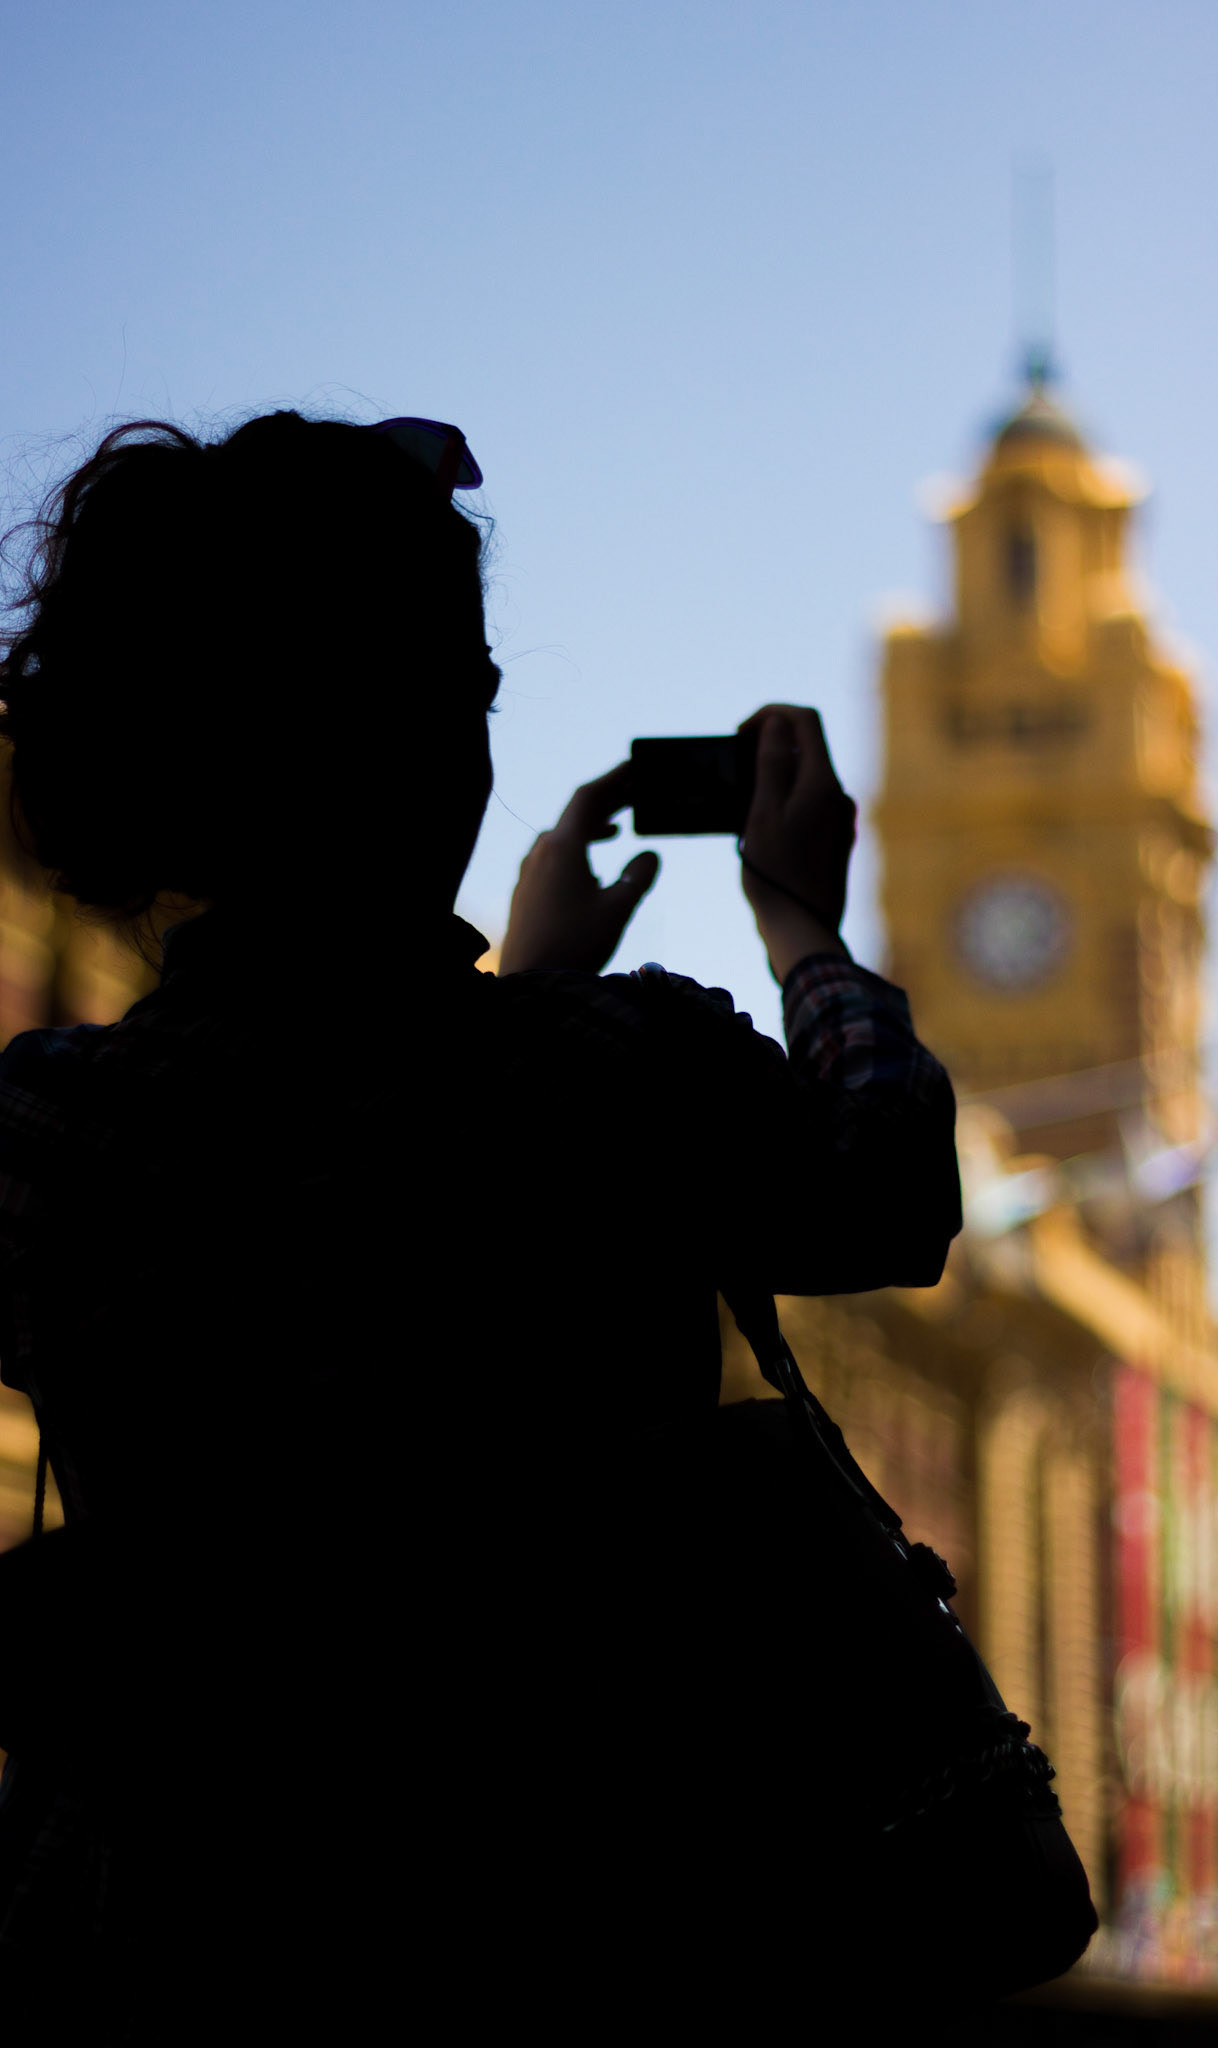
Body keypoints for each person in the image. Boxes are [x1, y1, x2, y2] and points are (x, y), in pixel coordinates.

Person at [0, 410, 961, 2039]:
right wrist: (800, 925)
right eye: (472, 693)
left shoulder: (47, 1128)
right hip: (578, 1948)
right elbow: (887, 1186)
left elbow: (338, 1166)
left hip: (172, 1948)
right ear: (443, 750)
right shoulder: (623, 1066)